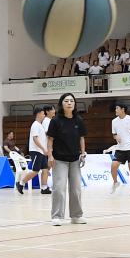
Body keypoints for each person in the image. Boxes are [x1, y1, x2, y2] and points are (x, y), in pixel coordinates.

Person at [47, 93, 87, 225]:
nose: (69, 103)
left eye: (71, 101)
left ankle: (76, 216)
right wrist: (50, 155)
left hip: (75, 159)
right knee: (59, 188)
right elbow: (50, 139)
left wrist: (83, 154)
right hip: (59, 160)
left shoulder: (78, 120)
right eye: (66, 101)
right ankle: (57, 216)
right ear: (61, 104)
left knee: (76, 188)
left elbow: (82, 138)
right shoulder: (56, 121)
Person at [15, 105, 48, 194]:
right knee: (35, 170)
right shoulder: (35, 125)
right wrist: (43, 149)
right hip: (36, 151)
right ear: (38, 115)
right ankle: (21, 183)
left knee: (45, 169)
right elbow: (35, 138)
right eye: (43, 114)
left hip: (42, 151)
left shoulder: (40, 125)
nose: (44, 116)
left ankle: (44, 188)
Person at [109, 104, 130, 196]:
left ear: (123, 109)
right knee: (113, 167)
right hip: (120, 148)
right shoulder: (114, 121)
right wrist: (116, 137)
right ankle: (115, 183)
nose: (115, 110)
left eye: (117, 108)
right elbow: (114, 134)